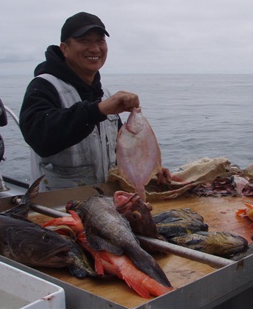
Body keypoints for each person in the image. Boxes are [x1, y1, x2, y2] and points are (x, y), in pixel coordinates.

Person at [20, 12, 154, 191]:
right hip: (57, 206)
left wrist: (151, 173)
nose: (95, 49)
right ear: (64, 48)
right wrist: (96, 111)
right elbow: (39, 135)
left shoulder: (104, 93)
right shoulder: (44, 86)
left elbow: (122, 151)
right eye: (85, 41)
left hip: (105, 202)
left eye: (100, 41)